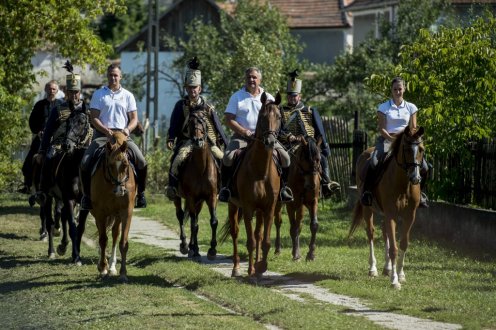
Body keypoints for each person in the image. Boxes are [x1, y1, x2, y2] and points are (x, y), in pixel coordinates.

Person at [218, 67, 293, 203]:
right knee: (228, 158)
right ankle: (226, 189)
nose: (251, 80)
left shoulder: (269, 97)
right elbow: (228, 119)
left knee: (286, 158)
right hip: (242, 138)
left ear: (260, 80)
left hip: (266, 138)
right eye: (249, 77)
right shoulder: (236, 97)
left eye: (254, 77)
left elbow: (276, 119)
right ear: (245, 79)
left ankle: (283, 189)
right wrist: (245, 132)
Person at [79, 64, 147, 210]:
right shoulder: (99, 94)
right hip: (102, 136)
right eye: (110, 75)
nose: (113, 77)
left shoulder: (128, 95)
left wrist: (128, 129)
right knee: (85, 162)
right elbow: (94, 118)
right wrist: (106, 130)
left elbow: (134, 118)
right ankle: (86, 197)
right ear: (107, 76)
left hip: (123, 136)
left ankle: (140, 194)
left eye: (116, 75)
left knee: (141, 161)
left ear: (120, 77)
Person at [165, 57, 228, 200]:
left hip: (208, 142)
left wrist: (225, 141)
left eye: (195, 87)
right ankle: (172, 187)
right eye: (190, 87)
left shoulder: (208, 106)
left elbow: (217, 125)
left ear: (199, 88)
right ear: (186, 88)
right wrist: (171, 137)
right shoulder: (180, 105)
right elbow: (174, 124)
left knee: (222, 160)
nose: (192, 90)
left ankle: (224, 188)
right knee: (177, 160)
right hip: (187, 141)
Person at [360, 76, 429, 207]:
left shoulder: (411, 107)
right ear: (391, 90)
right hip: (387, 139)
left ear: (404, 89)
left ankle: (420, 194)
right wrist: (392, 139)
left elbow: (413, 128)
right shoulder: (383, 107)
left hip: (407, 141)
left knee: (424, 166)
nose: (398, 91)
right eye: (395, 89)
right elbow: (381, 128)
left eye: (400, 89)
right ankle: (367, 192)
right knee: (374, 161)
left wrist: (405, 140)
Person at [278, 70, 341, 199]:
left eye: (294, 96)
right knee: (282, 160)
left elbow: (319, 130)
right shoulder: (281, 111)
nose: (292, 98)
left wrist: (323, 146)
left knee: (320, 158)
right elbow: (279, 130)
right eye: (290, 96)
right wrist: (289, 136)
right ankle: (282, 187)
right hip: (291, 144)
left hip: (310, 143)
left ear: (299, 96)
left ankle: (326, 183)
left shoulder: (310, 110)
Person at [33, 71, 86, 205]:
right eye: (71, 92)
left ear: (79, 92)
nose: (73, 95)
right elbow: (48, 132)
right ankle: (43, 191)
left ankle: (90, 193)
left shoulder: (86, 109)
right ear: (66, 92)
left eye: (76, 92)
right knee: (49, 158)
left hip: (81, 146)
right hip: (59, 144)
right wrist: (42, 150)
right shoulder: (57, 109)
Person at [20, 80, 64, 194]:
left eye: (54, 89)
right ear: (45, 90)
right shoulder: (39, 105)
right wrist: (38, 132)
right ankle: (28, 185)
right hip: (41, 138)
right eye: (49, 89)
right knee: (28, 163)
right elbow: (32, 121)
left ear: (57, 90)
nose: (51, 91)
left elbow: (65, 122)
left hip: (57, 139)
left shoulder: (62, 105)